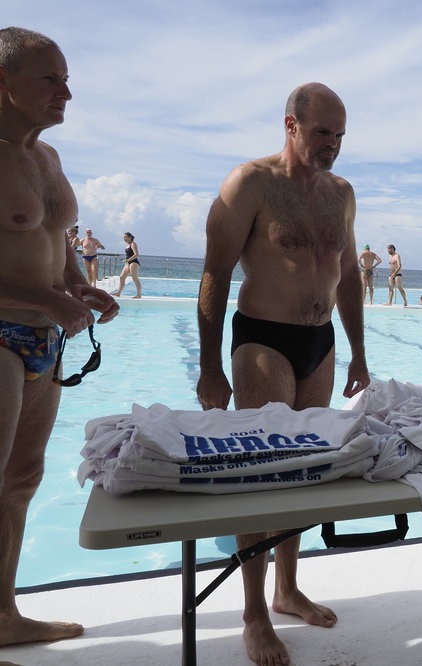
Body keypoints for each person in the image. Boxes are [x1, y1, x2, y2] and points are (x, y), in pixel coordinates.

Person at [196, 82, 370, 666]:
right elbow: (215, 275)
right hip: (263, 339)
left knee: (303, 474)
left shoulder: (342, 194)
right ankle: (252, 613)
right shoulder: (249, 183)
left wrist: (358, 353)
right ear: (291, 124)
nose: (333, 146)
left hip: (319, 344)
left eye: (341, 135)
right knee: (262, 475)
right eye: (324, 132)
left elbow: (346, 277)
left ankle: (287, 588)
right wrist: (209, 365)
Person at [0, 26, 119, 650]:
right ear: (3, 81)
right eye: (50, 78)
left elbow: (56, 240)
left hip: (45, 341)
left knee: (20, 481)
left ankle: (3, 615)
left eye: (67, 77)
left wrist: (76, 286)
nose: (66, 92)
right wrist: (47, 298)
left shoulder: (47, 158)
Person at [111, 232, 140, 298]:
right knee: (121, 277)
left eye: (126, 237)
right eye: (124, 237)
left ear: (130, 237)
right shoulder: (127, 245)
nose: (124, 239)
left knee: (134, 278)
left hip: (134, 263)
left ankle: (139, 294)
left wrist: (128, 260)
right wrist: (126, 260)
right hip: (128, 263)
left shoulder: (133, 244)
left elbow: (136, 254)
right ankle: (118, 293)